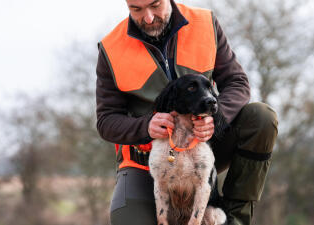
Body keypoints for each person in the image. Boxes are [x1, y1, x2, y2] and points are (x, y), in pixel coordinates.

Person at [95, 0, 278, 224]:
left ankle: (234, 220)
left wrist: (216, 119)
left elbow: (237, 82)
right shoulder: (110, 48)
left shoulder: (206, 24)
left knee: (261, 117)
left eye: (155, 5)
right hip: (144, 163)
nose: (149, 17)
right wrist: (145, 126)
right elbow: (106, 121)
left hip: (204, 148)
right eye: (136, 9)